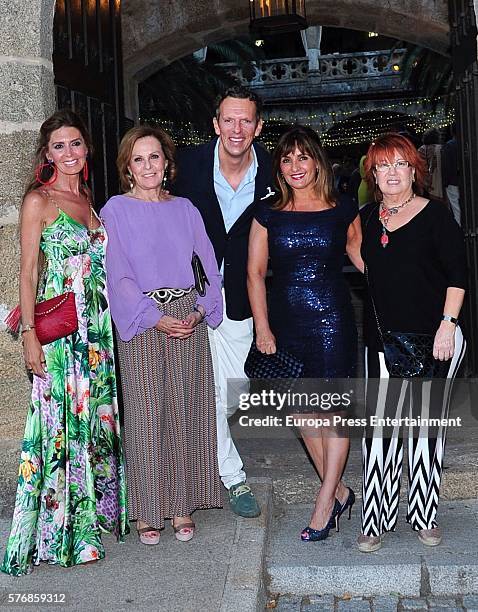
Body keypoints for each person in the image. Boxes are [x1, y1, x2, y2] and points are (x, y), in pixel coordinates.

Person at [1, 109, 128, 576]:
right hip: (60, 337)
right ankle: (59, 534)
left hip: (97, 333)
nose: (69, 153)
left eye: (76, 143)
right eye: (59, 146)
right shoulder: (40, 200)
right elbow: (28, 271)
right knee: (57, 428)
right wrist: (29, 336)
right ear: (46, 153)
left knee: (92, 424)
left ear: (86, 148)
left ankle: (89, 521)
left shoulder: (92, 201)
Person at [101, 125, 223, 545]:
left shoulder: (186, 209)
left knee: (185, 412)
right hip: (142, 320)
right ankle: (147, 509)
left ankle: (180, 507)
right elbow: (117, 275)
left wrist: (199, 310)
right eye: (139, 159)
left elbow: (207, 264)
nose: (148, 165)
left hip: (186, 316)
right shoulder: (114, 211)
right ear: (127, 168)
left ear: (167, 164)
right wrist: (154, 317)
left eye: (155, 157)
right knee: (146, 416)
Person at [247, 125, 363, 542]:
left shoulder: (343, 208)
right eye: (286, 158)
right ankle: (342, 492)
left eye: (303, 157)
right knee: (300, 413)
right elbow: (255, 274)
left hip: (332, 320)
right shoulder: (267, 212)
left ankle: (325, 501)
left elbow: (362, 256)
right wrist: (263, 327)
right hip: (285, 322)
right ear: (279, 166)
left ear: (317, 162)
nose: (295, 166)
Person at [358, 133, 467, 553]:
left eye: (399, 164)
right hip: (381, 340)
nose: (391, 173)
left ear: (414, 170)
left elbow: (458, 275)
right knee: (379, 432)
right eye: (382, 165)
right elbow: (361, 257)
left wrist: (447, 324)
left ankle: (424, 514)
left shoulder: (436, 215)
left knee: (423, 430)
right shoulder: (367, 218)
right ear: (373, 172)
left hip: (433, 338)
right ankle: (375, 519)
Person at [173, 86, 274, 518]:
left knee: (234, 392)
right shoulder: (186, 165)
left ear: (258, 126)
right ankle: (232, 477)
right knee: (211, 395)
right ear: (215, 124)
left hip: (244, 296)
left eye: (245, 120)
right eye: (228, 120)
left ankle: (206, 460)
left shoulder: (275, 170)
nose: (237, 129)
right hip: (189, 295)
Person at [442, 125, 461, 225]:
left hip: (453, 181)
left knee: (456, 208)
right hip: (461, 179)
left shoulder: (449, 145)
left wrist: (445, 182)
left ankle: (459, 228)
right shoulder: (467, 142)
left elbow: (447, 165)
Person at [418, 129, 444, 202]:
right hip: (439, 178)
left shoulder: (422, 149)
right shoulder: (442, 148)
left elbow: (420, 166)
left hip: (426, 181)